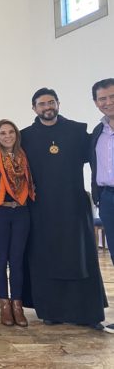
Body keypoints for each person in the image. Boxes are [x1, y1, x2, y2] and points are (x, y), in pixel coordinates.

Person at [21, 88, 108, 331]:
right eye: (41, 104)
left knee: (79, 257)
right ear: (34, 108)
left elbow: (99, 159)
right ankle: (51, 310)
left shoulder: (78, 131)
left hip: (73, 206)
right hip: (41, 208)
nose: (47, 107)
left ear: (58, 103)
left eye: (51, 102)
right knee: (46, 258)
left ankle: (86, 312)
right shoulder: (24, 137)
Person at [0, 119, 35, 327]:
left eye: (10, 132)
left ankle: (17, 305)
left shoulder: (23, 156)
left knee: (17, 259)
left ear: (16, 134)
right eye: (2, 133)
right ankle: (4, 304)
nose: (7, 136)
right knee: (1, 259)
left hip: (21, 211)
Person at [90, 78, 114, 267]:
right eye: (102, 99)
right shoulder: (98, 132)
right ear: (96, 103)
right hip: (108, 199)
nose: (108, 102)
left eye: (112, 96)